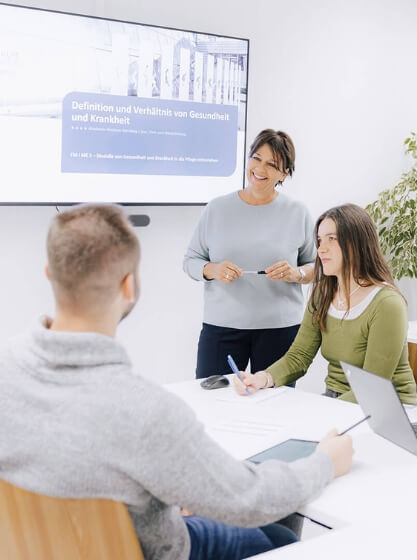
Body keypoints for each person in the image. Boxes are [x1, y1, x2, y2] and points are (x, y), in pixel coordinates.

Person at [0, 204, 354, 560]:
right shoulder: (145, 411)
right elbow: (247, 500)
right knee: (279, 537)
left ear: (49, 273)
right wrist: (324, 462)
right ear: (128, 286)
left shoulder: (6, 370)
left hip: (37, 548)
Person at [234, 203, 417, 410]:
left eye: (332, 239)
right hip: (337, 401)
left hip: (388, 408)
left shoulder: (387, 304)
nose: (321, 249)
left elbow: (372, 389)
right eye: (320, 240)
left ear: (357, 243)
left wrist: (321, 413)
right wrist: (262, 379)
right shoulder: (323, 294)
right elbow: (299, 357)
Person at [183, 129, 316, 380]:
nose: (260, 169)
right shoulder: (217, 208)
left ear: (284, 173)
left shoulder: (297, 213)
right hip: (222, 328)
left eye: (272, 164)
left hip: (279, 329)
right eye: (256, 158)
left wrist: (295, 273)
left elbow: (315, 267)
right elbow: (190, 261)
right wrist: (214, 270)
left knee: (275, 407)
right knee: (214, 401)